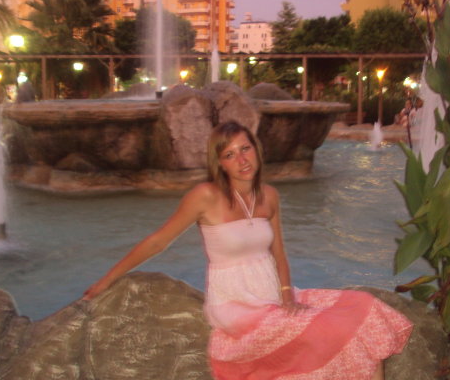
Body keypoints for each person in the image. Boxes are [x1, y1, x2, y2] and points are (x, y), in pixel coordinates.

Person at [83, 121, 413, 380]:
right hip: (236, 304)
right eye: (230, 155)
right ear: (220, 163)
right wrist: (106, 280)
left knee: (365, 306)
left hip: (272, 294)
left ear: (256, 149)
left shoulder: (269, 195)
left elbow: (279, 253)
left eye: (245, 149)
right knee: (331, 329)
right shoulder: (205, 196)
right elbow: (158, 241)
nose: (241, 160)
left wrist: (287, 294)